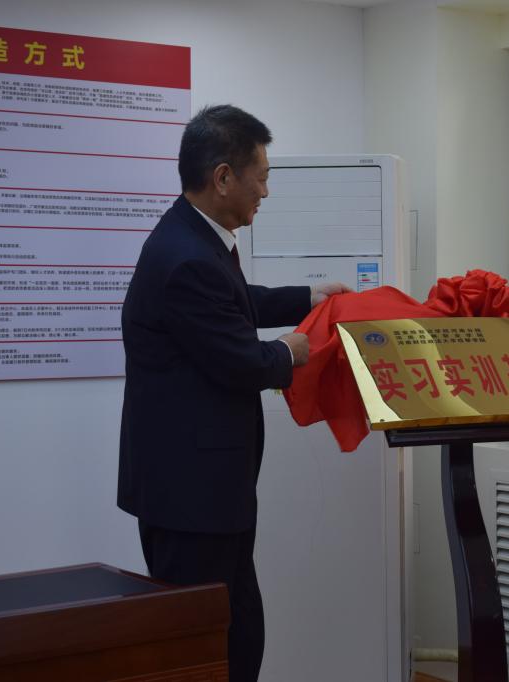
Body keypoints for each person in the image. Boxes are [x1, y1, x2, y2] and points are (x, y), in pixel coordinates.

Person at [117, 104, 349, 682]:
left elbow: (234, 302)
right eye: (260, 177)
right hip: (191, 498)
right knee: (212, 640)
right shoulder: (186, 258)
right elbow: (240, 360)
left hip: (202, 492)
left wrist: (309, 296)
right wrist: (291, 351)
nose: (265, 192)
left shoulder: (193, 237)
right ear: (223, 177)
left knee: (235, 625)